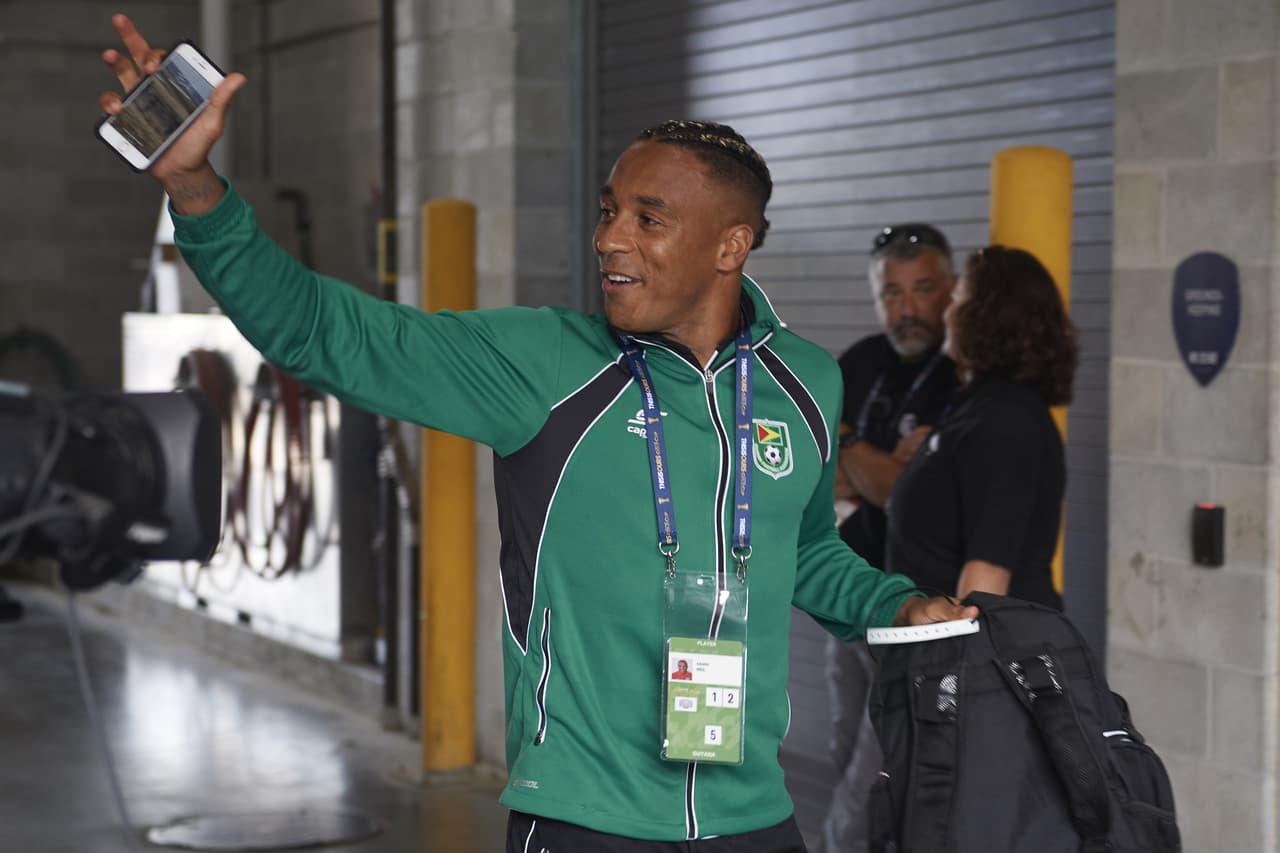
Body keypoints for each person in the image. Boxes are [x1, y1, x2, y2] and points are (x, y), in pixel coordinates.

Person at [96, 15, 977, 851]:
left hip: (754, 816)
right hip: (583, 818)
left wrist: (893, 604)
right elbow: (325, 333)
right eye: (608, 209)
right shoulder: (542, 364)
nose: (609, 238)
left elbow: (807, 548)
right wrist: (195, 188)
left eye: (648, 218)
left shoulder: (804, 381)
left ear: (731, 245)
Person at [822, 224, 959, 852]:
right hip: (849, 603)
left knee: (873, 780)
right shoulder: (858, 361)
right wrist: (869, 464)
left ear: (951, 289)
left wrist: (849, 443)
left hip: (914, 614)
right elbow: (823, 486)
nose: (906, 309)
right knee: (845, 752)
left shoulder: (959, 376)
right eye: (891, 293)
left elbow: (896, 492)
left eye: (922, 289)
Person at [885, 244, 1079, 609]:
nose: (948, 311)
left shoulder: (1006, 421)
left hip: (977, 657)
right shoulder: (976, 407)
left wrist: (956, 663)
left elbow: (987, 579)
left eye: (958, 299)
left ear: (987, 317)